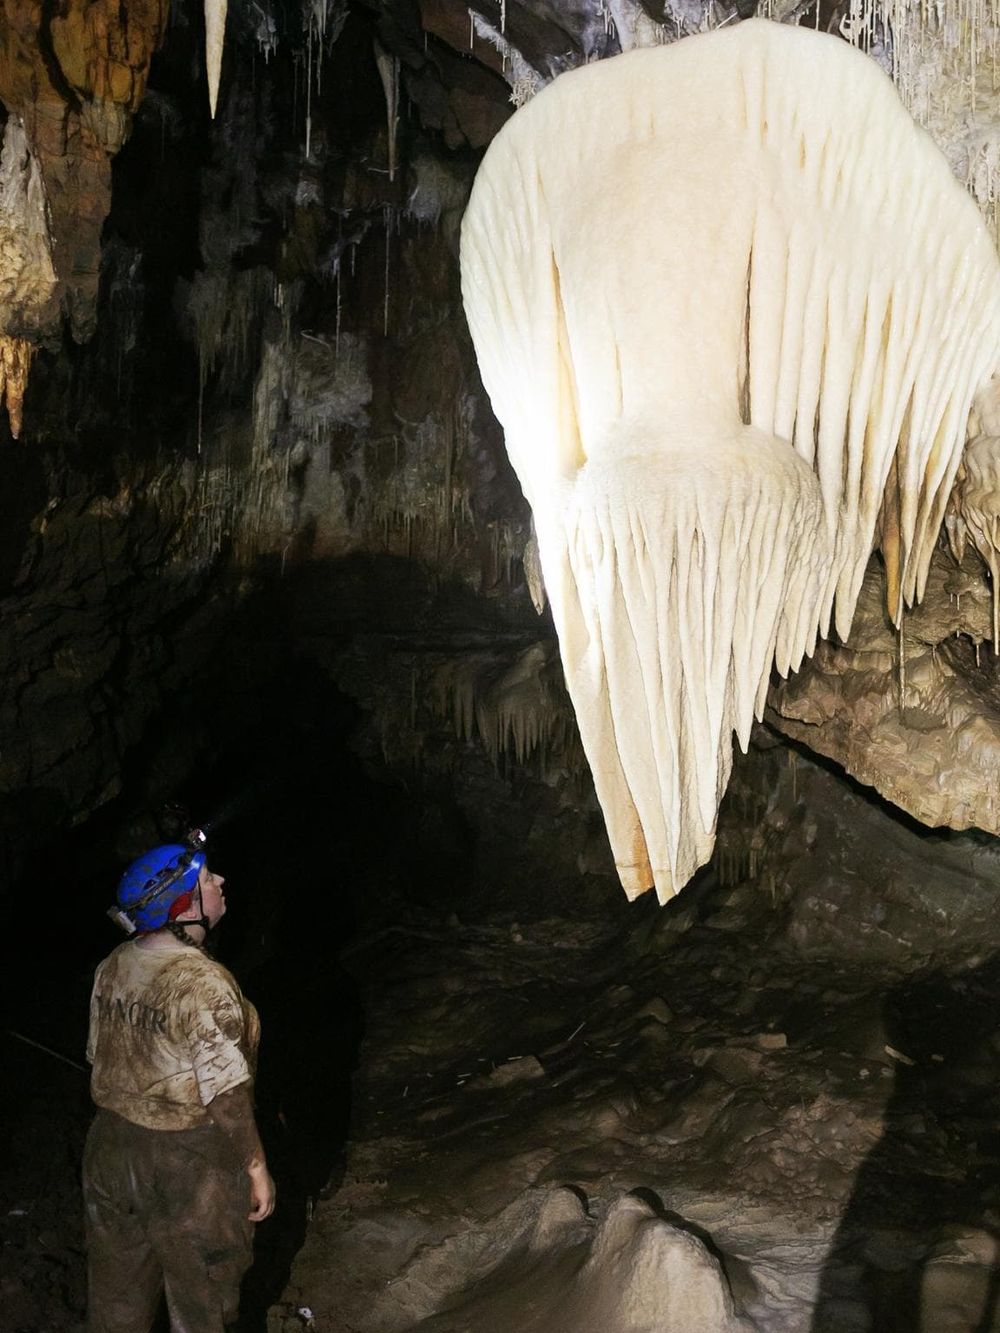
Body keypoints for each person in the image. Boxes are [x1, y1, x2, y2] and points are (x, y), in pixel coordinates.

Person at [83, 836, 276, 1333]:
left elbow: (97, 1056)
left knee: (116, 1301)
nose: (221, 882)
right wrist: (256, 1168)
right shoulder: (201, 984)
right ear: (184, 905)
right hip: (190, 1164)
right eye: (209, 878)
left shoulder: (114, 966)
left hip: (110, 1149)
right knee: (203, 1302)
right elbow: (225, 1094)